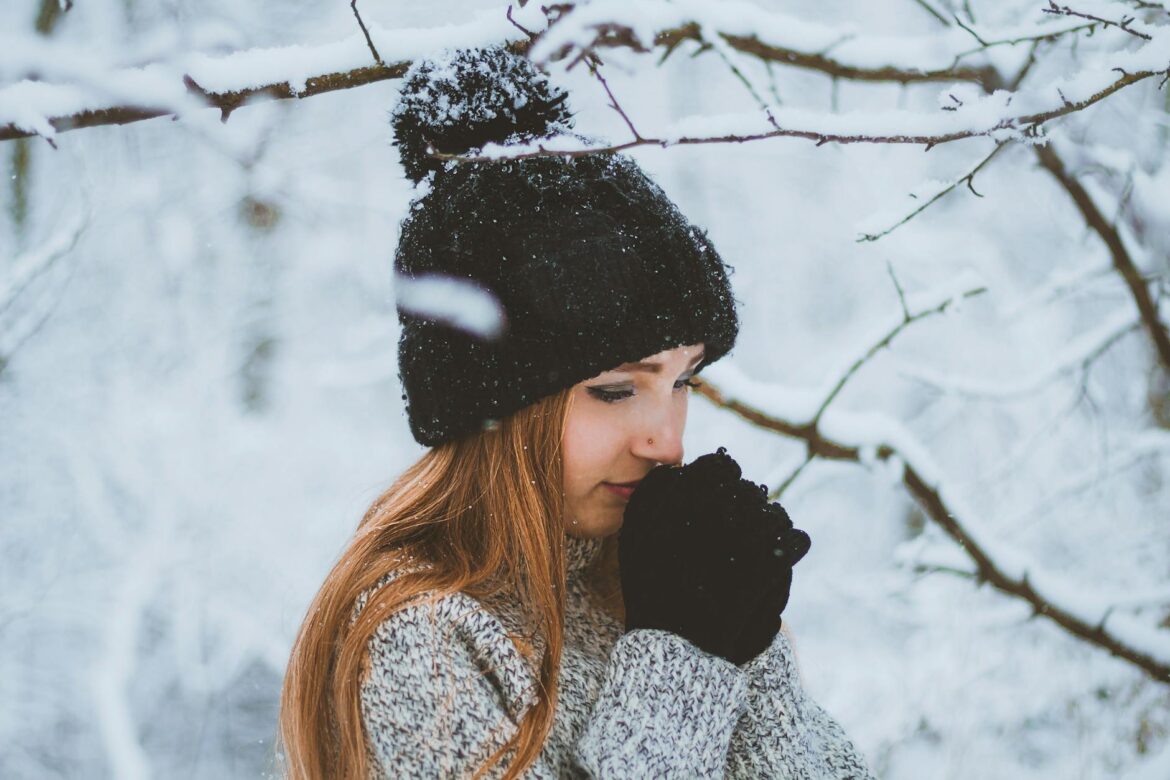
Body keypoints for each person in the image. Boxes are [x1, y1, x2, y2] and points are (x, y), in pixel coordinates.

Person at [277, 46, 876, 780]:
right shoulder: (427, 641)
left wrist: (747, 645)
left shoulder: (651, 583)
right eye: (615, 390)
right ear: (495, 411)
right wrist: (683, 669)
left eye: (685, 381)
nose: (668, 441)